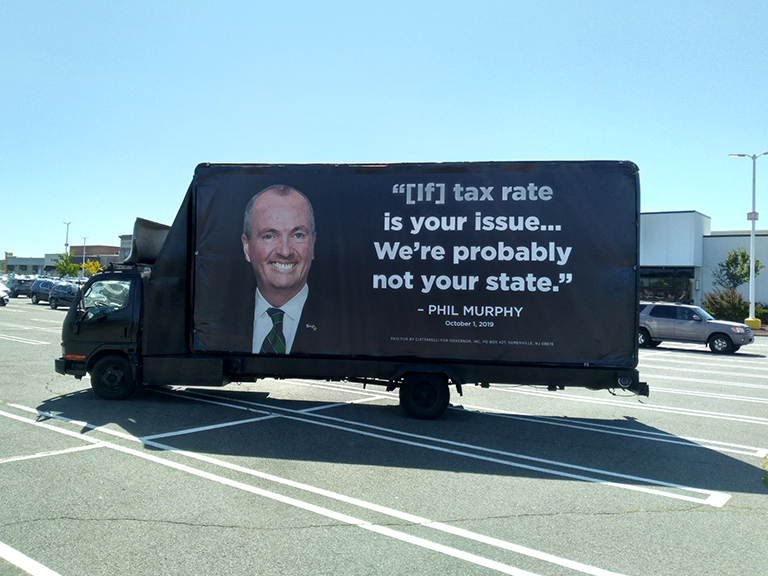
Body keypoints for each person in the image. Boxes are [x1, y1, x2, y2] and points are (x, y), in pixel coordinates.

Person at [241, 184, 327, 354]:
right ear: (246, 247)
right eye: (269, 236)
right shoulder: (216, 324)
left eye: (298, 235)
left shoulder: (347, 326)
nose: (285, 251)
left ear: (313, 245)